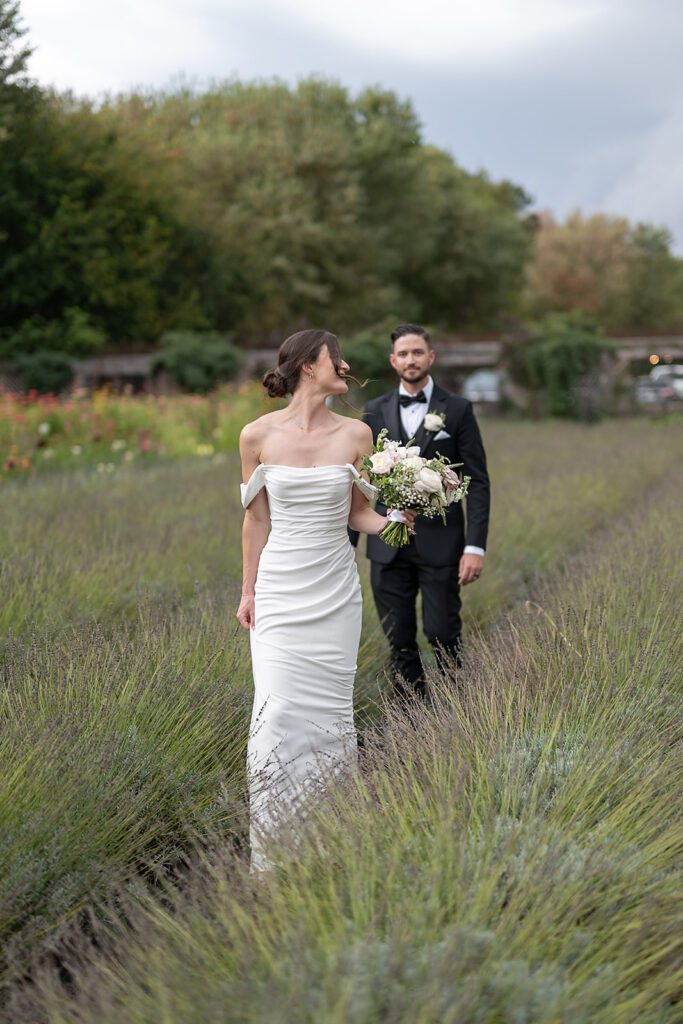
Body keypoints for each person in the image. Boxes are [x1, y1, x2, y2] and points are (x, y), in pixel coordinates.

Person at [236, 328, 415, 872]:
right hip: (281, 587)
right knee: (275, 714)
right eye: (334, 358)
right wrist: (248, 591)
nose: (344, 366)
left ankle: (328, 844)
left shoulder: (358, 435)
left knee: (331, 719)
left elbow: (356, 514)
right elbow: (256, 518)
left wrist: (394, 523)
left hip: (334, 588)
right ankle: (271, 857)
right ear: (308, 367)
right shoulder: (255, 436)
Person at [352, 323, 490, 697]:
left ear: (430, 357)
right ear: (393, 360)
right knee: (398, 640)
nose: (410, 360)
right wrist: (348, 547)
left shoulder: (457, 409)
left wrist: (474, 547)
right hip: (386, 544)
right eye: (403, 354)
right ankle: (413, 718)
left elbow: (476, 481)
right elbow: (359, 485)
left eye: (417, 352)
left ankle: (455, 708)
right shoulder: (374, 409)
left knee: (443, 633)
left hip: (441, 544)